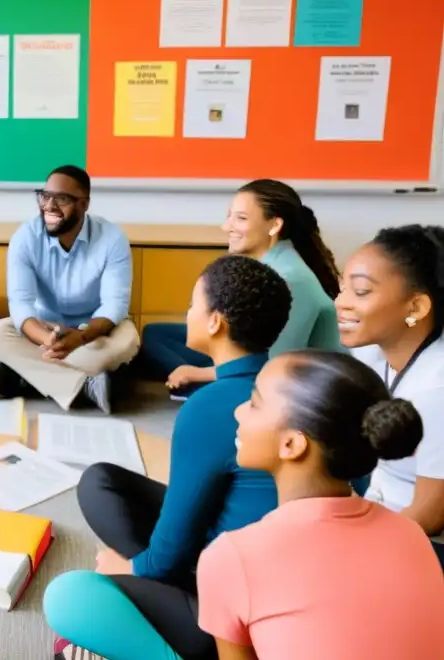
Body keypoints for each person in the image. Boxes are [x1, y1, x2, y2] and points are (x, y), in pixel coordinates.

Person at [44, 255, 292, 660]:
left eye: (194, 303)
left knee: (72, 595)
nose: (188, 312)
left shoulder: (212, 405)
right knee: (101, 481)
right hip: (236, 565)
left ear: (215, 322)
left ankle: (167, 607)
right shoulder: (281, 385)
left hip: (226, 613)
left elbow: (168, 551)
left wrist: (129, 569)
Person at [197, 350, 444, 659]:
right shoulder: (412, 536)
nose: (238, 412)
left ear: (292, 444)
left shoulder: (232, 557)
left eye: (255, 404)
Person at [140, 179, 341, 397]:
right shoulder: (269, 264)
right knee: (155, 335)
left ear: (274, 225)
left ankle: (206, 386)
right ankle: (199, 383)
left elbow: (273, 364)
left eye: (241, 218)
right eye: (229, 216)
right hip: (250, 356)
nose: (226, 227)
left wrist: (198, 373)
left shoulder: (290, 279)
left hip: (297, 384)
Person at [0, 165, 139, 413]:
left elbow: (114, 304)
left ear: (84, 204)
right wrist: (49, 341)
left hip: (94, 331)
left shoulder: (112, 237)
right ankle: (87, 386)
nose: (49, 206)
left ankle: (30, 375)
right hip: (46, 329)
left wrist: (81, 337)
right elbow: (21, 304)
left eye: (62, 198)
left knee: (128, 340)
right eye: (45, 196)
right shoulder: (25, 237)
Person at [336, 224, 444, 555]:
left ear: (415, 308)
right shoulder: (371, 354)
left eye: (361, 292)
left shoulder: (436, 389)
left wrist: (356, 545)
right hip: (382, 514)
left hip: (421, 545)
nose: (340, 303)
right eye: (342, 289)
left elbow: (430, 515)